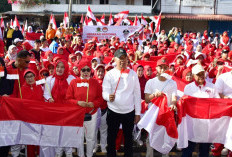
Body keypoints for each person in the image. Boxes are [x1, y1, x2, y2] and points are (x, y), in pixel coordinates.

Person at [102, 48, 141, 157]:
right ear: (114, 59)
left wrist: (137, 113)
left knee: (128, 139)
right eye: (120, 58)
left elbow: (137, 95)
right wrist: (108, 97)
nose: (123, 61)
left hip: (129, 112)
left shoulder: (133, 74)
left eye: (125, 58)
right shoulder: (109, 74)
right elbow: (104, 92)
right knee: (111, 138)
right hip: (113, 111)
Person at [66, 59, 103, 157]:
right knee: (79, 137)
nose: (86, 72)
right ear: (79, 70)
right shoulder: (74, 82)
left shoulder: (95, 83)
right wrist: (78, 102)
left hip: (92, 113)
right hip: (77, 114)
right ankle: (81, 155)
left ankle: (89, 155)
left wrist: (93, 104)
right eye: (83, 70)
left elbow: (100, 98)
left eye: (88, 69)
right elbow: (68, 98)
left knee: (90, 137)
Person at [182, 64, 219, 157]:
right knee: (188, 150)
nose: (201, 76)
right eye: (198, 74)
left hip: (206, 125)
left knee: (204, 151)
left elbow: (217, 103)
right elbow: (184, 104)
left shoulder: (212, 87)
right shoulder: (188, 88)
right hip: (192, 124)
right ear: (193, 75)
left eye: (202, 73)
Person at [144, 57, 177, 157]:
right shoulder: (150, 82)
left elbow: (174, 98)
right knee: (151, 136)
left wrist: (173, 104)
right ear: (157, 69)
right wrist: (154, 95)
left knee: (165, 137)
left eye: (165, 67)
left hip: (166, 114)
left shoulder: (172, 83)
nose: (163, 69)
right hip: (153, 114)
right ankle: (149, 155)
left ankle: (165, 155)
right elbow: (146, 99)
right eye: (160, 67)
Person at [43, 59, 75, 157]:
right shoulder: (49, 79)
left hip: (68, 110)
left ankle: (68, 151)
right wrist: (49, 99)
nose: (59, 69)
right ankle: (58, 151)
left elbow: (75, 93)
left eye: (62, 67)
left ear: (66, 68)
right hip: (55, 110)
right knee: (57, 131)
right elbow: (46, 93)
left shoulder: (71, 79)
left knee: (67, 131)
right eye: (57, 67)